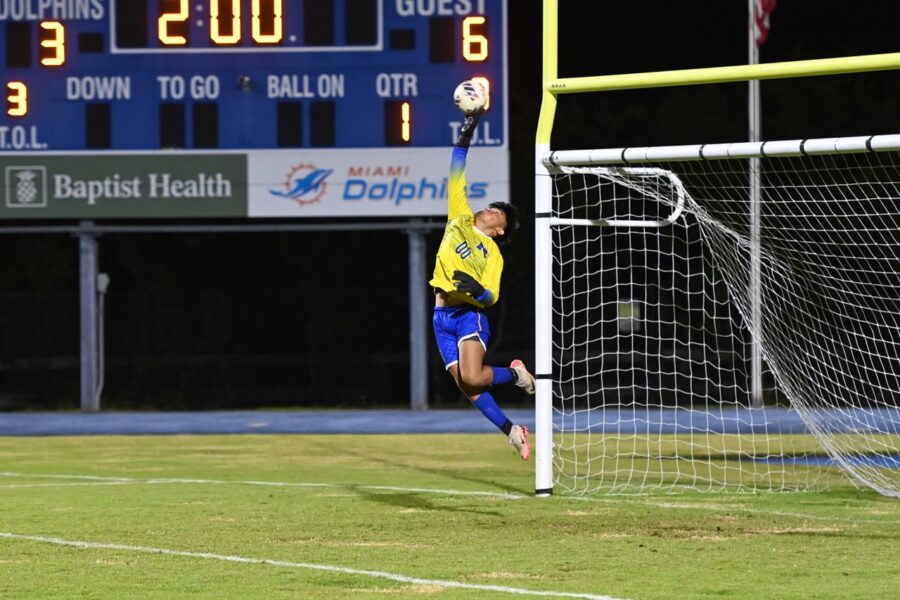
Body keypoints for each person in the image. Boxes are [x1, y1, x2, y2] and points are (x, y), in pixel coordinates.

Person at [430, 109, 535, 461]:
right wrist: (466, 132)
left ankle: (514, 374)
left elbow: (490, 296)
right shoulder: (459, 216)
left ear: (500, 229)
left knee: (473, 378)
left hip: (466, 315)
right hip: (440, 315)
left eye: (497, 213)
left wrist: (475, 289)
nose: (489, 210)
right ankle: (512, 430)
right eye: (490, 206)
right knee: (467, 386)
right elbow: (456, 170)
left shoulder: (492, 253)